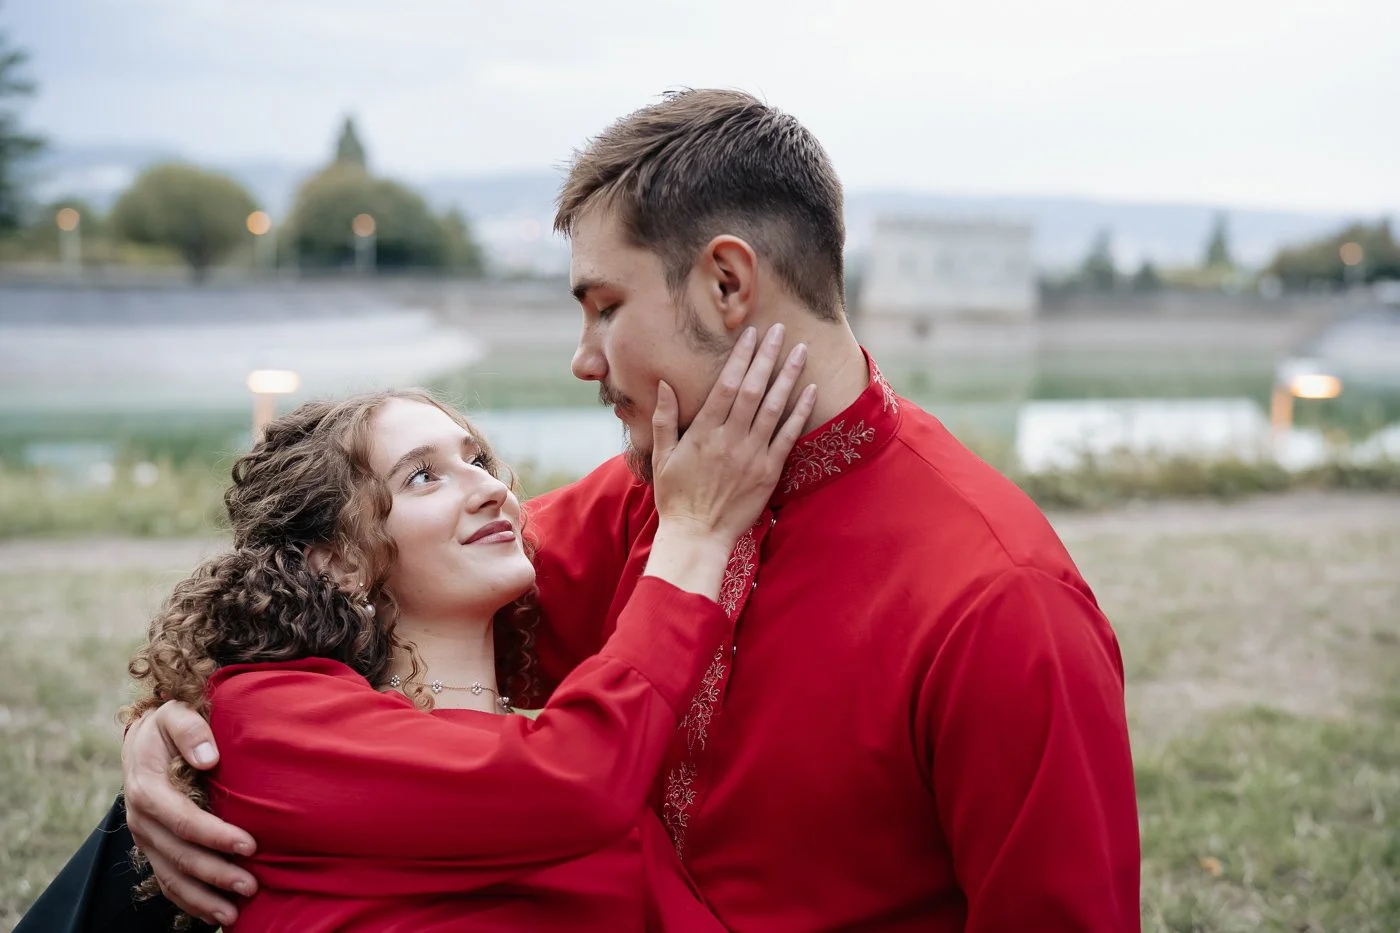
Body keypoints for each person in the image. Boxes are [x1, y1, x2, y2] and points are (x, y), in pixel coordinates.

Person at [120, 89, 1141, 932]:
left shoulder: (998, 601)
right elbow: (367, 589)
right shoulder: (648, 498)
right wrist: (182, 732)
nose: (583, 360)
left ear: (727, 284)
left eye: (604, 307)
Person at [18, 331, 816, 933]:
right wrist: (696, 535)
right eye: (424, 475)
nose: (489, 491)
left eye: (480, 460)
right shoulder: (262, 719)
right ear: (334, 561)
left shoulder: (581, 774)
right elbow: (569, 780)